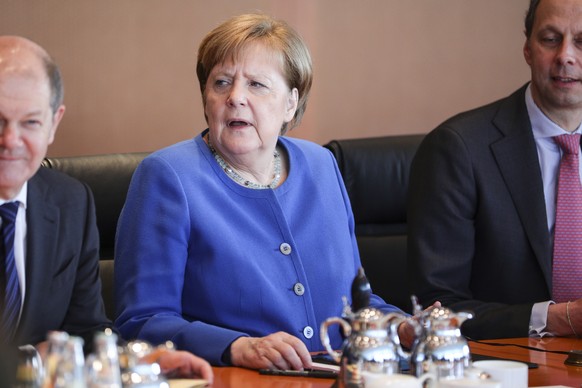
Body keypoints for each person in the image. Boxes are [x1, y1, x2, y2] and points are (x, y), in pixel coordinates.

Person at [114, 13, 415, 371]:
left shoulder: (321, 165)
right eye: (222, 82)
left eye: (256, 84)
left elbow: (355, 303)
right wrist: (237, 346)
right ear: (205, 96)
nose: (235, 97)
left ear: (291, 102)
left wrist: (400, 326)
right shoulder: (168, 176)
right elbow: (142, 322)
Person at [0, 36, 212, 382]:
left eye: (30, 123)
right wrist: (33, 363)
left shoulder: (70, 202)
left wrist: (141, 363)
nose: (10, 140)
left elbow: (85, 332)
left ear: (54, 123)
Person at [408, 0, 582, 340]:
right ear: (528, 49)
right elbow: (437, 306)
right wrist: (556, 318)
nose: (566, 56)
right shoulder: (458, 149)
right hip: (509, 365)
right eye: (550, 38)